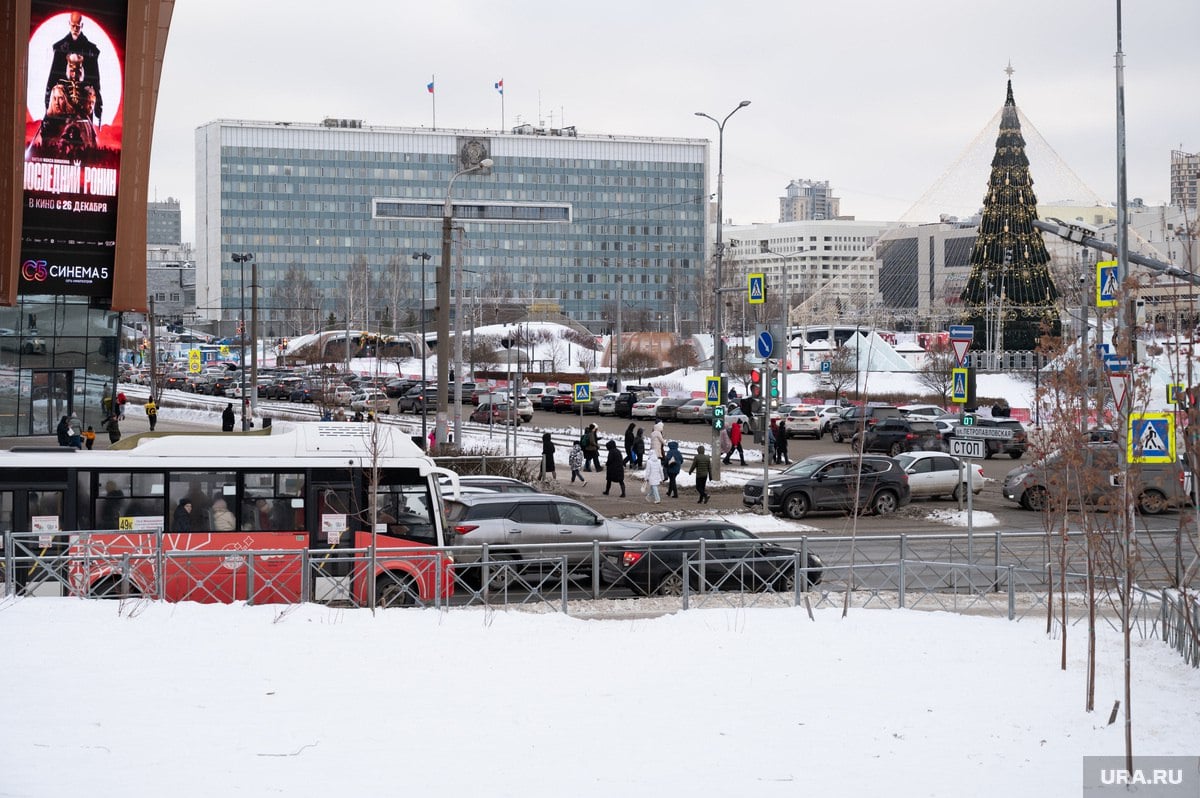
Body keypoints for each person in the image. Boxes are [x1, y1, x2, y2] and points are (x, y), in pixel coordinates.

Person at [44, 12, 104, 125]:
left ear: (82, 26)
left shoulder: (90, 51)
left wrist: (99, 106)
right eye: (73, 26)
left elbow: (95, 79)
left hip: (84, 97)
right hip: (63, 97)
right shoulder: (60, 48)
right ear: (69, 24)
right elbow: (53, 76)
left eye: (77, 26)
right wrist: (47, 103)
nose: (75, 29)